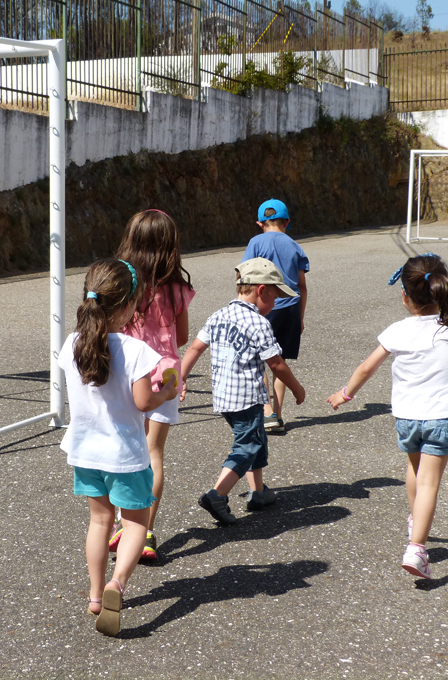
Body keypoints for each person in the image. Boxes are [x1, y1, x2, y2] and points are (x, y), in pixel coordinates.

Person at [327, 253, 448, 579]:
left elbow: (367, 367)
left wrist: (345, 394)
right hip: (441, 417)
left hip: (407, 418)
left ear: (404, 296)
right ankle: (417, 549)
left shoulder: (397, 330)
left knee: (414, 470)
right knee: (429, 483)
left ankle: (415, 519)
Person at [57, 259, 178, 636]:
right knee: (135, 523)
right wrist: (170, 387)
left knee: (98, 522)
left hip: (85, 452)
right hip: (125, 455)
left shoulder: (72, 343)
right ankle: (117, 584)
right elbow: (144, 402)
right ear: (129, 306)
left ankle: (95, 595)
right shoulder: (135, 350)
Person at [179, 257, 306, 525]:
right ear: (261, 290)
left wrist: (181, 377)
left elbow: (194, 348)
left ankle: (258, 492)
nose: (275, 304)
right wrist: (297, 388)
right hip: (247, 397)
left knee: (256, 438)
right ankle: (217, 494)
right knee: (247, 445)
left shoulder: (218, 315)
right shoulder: (259, 324)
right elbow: (276, 363)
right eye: (275, 297)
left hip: (224, 397)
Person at [114, 209, 196, 560]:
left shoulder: (121, 282)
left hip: (128, 371)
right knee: (154, 453)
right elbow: (181, 336)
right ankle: (145, 533)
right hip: (166, 373)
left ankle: (122, 525)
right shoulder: (178, 288)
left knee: (125, 448)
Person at [242, 199, 309, 434]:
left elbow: (246, 275)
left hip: (265, 307)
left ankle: (267, 411)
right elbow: (302, 285)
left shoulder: (256, 241)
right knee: (280, 361)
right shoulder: (295, 246)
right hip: (291, 307)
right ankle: (278, 416)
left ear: (260, 223)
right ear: (287, 222)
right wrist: (300, 317)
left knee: (260, 360)